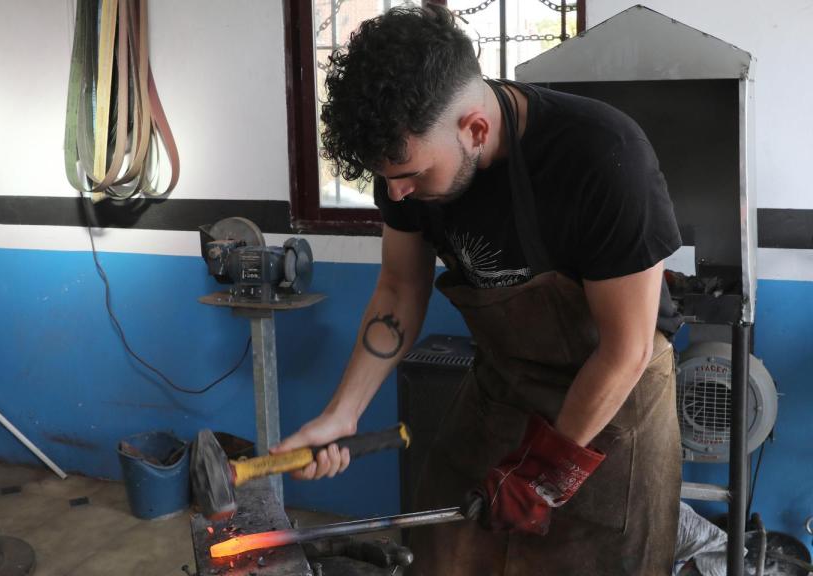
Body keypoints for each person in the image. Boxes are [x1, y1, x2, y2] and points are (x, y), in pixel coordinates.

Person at [271, 5, 683, 574]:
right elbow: (397, 290)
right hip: (504, 386)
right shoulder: (404, 171)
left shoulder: (603, 156)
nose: (399, 191)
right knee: (444, 553)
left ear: (476, 129)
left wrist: (544, 472)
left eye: (412, 173)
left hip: (613, 408)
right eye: (387, 178)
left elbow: (625, 350)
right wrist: (343, 413)